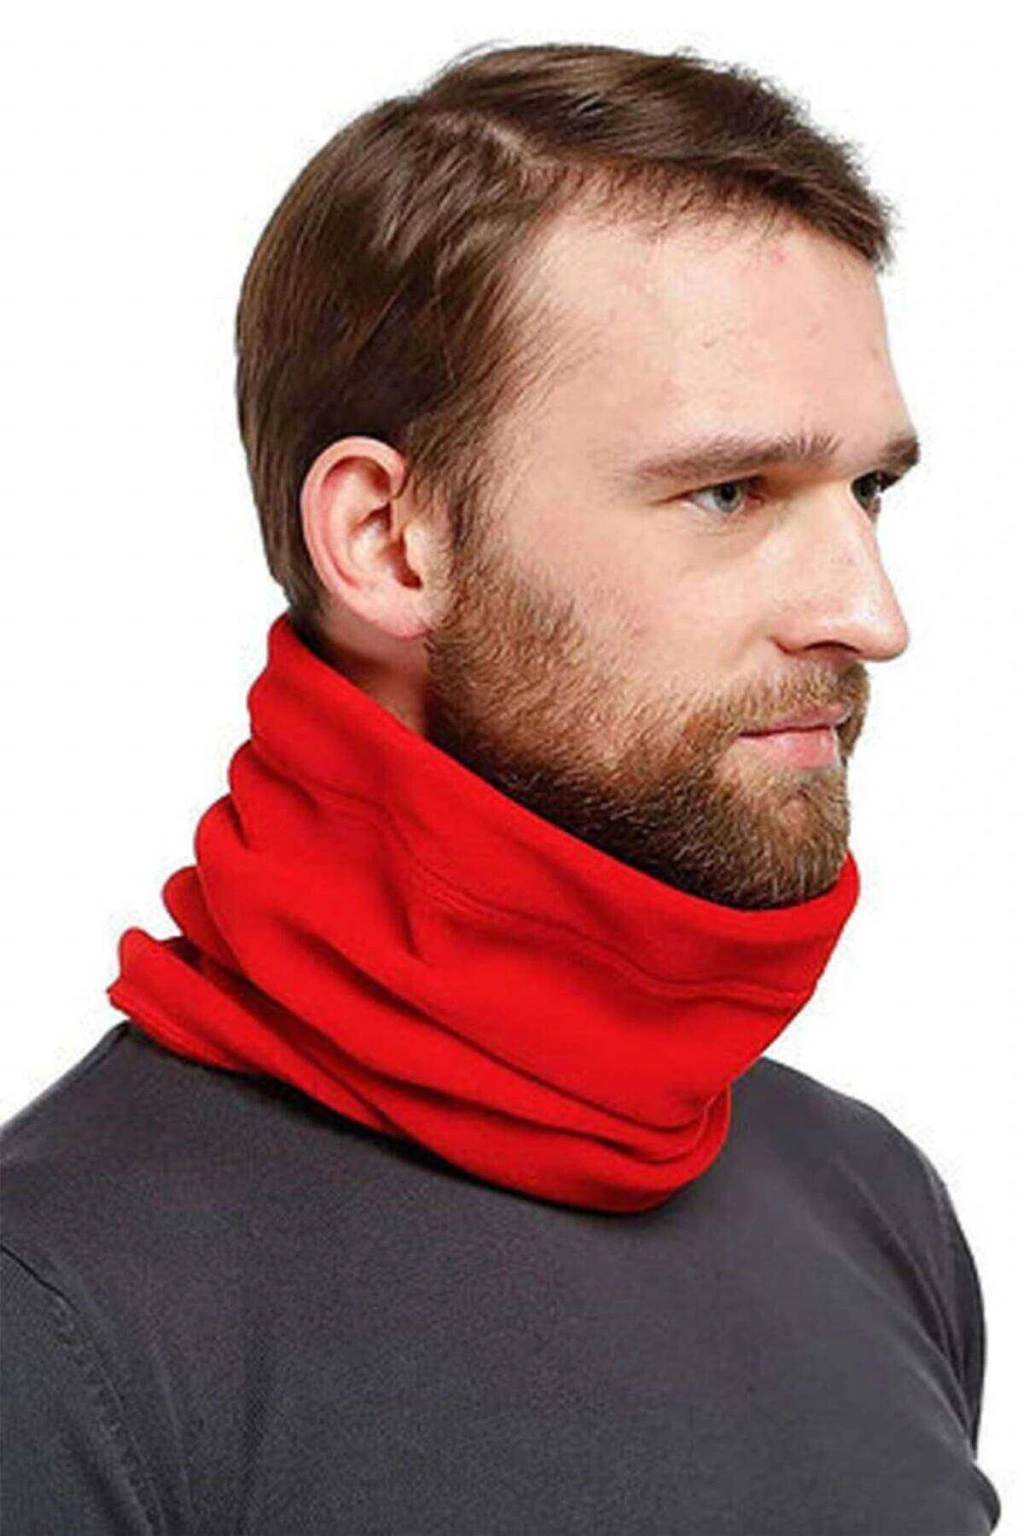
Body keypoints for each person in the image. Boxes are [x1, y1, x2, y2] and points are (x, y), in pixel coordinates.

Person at [0, 38, 1002, 1535]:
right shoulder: (58, 1315)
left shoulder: (870, 1200)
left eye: (868, 489)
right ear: (389, 543)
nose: (872, 615)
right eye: (729, 492)